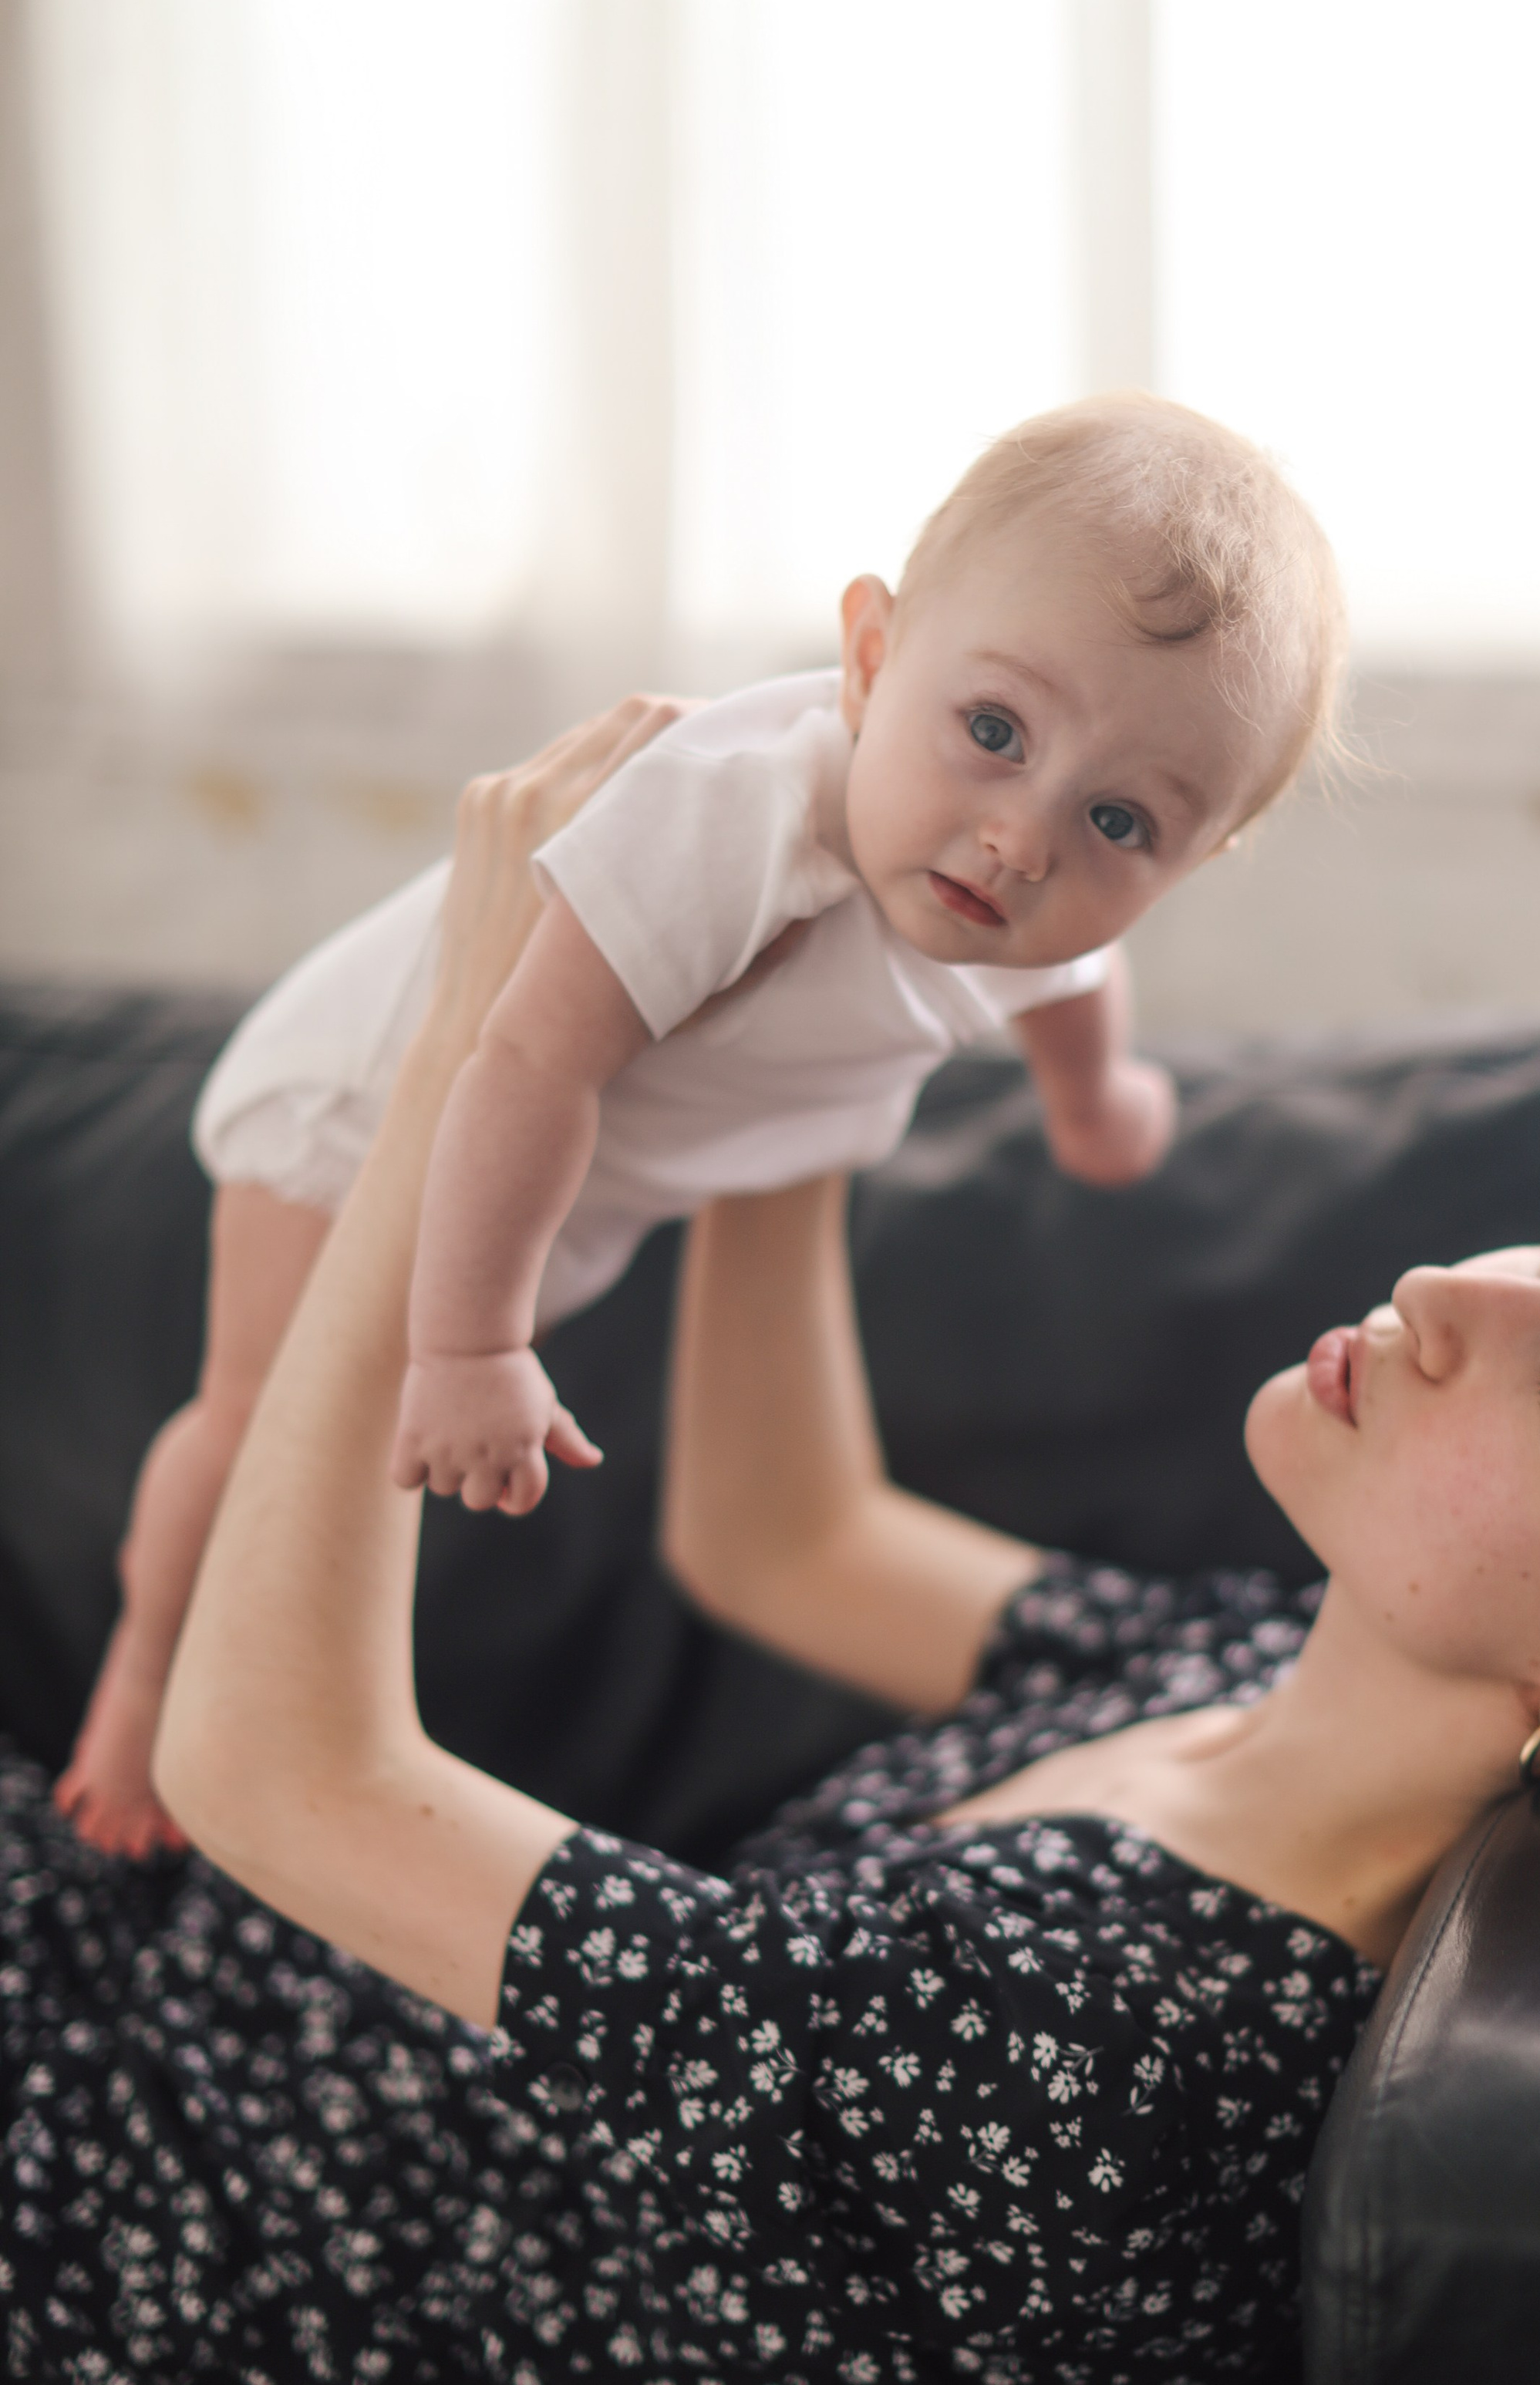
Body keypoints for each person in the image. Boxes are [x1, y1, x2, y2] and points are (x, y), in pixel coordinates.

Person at [3, 703, 1540, 2385]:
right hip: (146, 1955)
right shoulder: (1245, 1676)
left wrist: (462, 1038)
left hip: (99, 2173)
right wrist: (814, 1005)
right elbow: (783, 1539)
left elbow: (267, 1764)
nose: (1452, 1292)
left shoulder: (1115, 2069)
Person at [56, 396, 1344, 1858]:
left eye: (1124, 824)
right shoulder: (735, 820)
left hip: (584, 1172)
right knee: (255, 1425)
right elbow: (528, 1055)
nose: (1026, 834)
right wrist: (471, 1346)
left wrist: (1093, 1100)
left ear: (1193, 858)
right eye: (992, 731)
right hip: (375, 1103)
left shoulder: (1047, 899)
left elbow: (1075, 976)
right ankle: (144, 1673)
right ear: (870, 656)